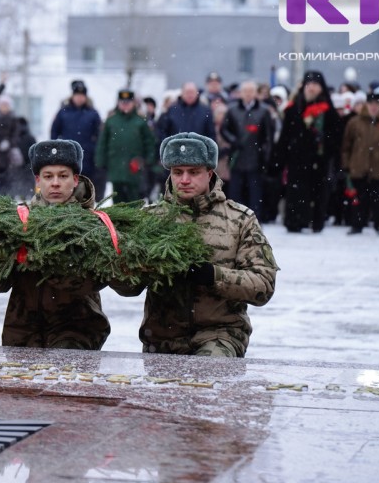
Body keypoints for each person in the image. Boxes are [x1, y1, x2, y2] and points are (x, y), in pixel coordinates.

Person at [111, 132, 278, 357]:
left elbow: (263, 285)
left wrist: (213, 276)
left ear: (209, 173)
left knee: (206, 378)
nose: (185, 180)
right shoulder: (149, 220)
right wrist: (137, 266)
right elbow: (127, 288)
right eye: (177, 172)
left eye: (194, 172)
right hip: (162, 339)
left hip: (220, 334)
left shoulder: (240, 220)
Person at [0, 139, 111, 349]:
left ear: (75, 180)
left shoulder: (94, 224)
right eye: (48, 176)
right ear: (38, 180)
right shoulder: (20, 222)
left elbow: (97, 280)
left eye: (63, 176)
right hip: (22, 334)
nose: (55, 183)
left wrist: (50, 259)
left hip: (76, 332)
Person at [271, 70, 341, 233]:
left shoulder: (328, 111)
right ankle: (294, 222)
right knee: (296, 193)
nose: (311, 88)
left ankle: (315, 222)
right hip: (296, 160)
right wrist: (278, 159)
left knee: (318, 193)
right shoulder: (294, 108)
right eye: (308, 84)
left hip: (319, 160)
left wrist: (324, 143)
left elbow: (336, 136)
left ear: (321, 88)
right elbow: (285, 136)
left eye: (315, 85)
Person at [341, 92, 379, 235]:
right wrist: (346, 165)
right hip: (359, 167)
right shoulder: (355, 122)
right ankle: (357, 225)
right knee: (359, 200)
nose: (374, 107)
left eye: (377, 104)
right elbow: (346, 146)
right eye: (371, 104)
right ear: (366, 105)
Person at [220, 80, 275, 221]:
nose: (248, 94)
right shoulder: (232, 110)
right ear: (241, 93)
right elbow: (224, 129)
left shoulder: (263, 111)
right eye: (245, 91)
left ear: (255, 93)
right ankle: (234, 219)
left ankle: (254, 219)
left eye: (251, 91)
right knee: (235, 191)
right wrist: (234, 141)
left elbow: (268, 136)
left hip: (256, 157)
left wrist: (265, 155)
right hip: (237, 156)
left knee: (255, 192)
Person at [94, 89, 156, 203]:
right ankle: (118, 221)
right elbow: (103, 143)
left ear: (133, 103)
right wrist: (100, 161)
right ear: (118, 103)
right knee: (118, 200)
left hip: (135, 169)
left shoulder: (140, 121)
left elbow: (149, 142)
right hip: (115, 167)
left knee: (134, 200)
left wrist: (149, 159)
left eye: (128, 102)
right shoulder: (111, 121)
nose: (125, 105)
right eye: (123, 102)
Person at [50, 80, 104, 196]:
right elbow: (54, 132)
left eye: (82, 95)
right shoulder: (63, 112)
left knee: (85, 191)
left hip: (88, 158)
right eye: (77, 95)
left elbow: (100, 136)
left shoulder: (92, 113)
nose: (79, 98)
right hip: (67, 157)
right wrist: (56, 150)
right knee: (67, 190)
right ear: (73, 96)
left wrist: (94, 151)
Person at [0, 95, 21, 195]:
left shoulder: (13, 118)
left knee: (8, 177)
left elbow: (16, 133)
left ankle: (7, 195)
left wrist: (9, 142)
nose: (4, 107)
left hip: (8, 153)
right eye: (2, 104)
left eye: (6, 105)